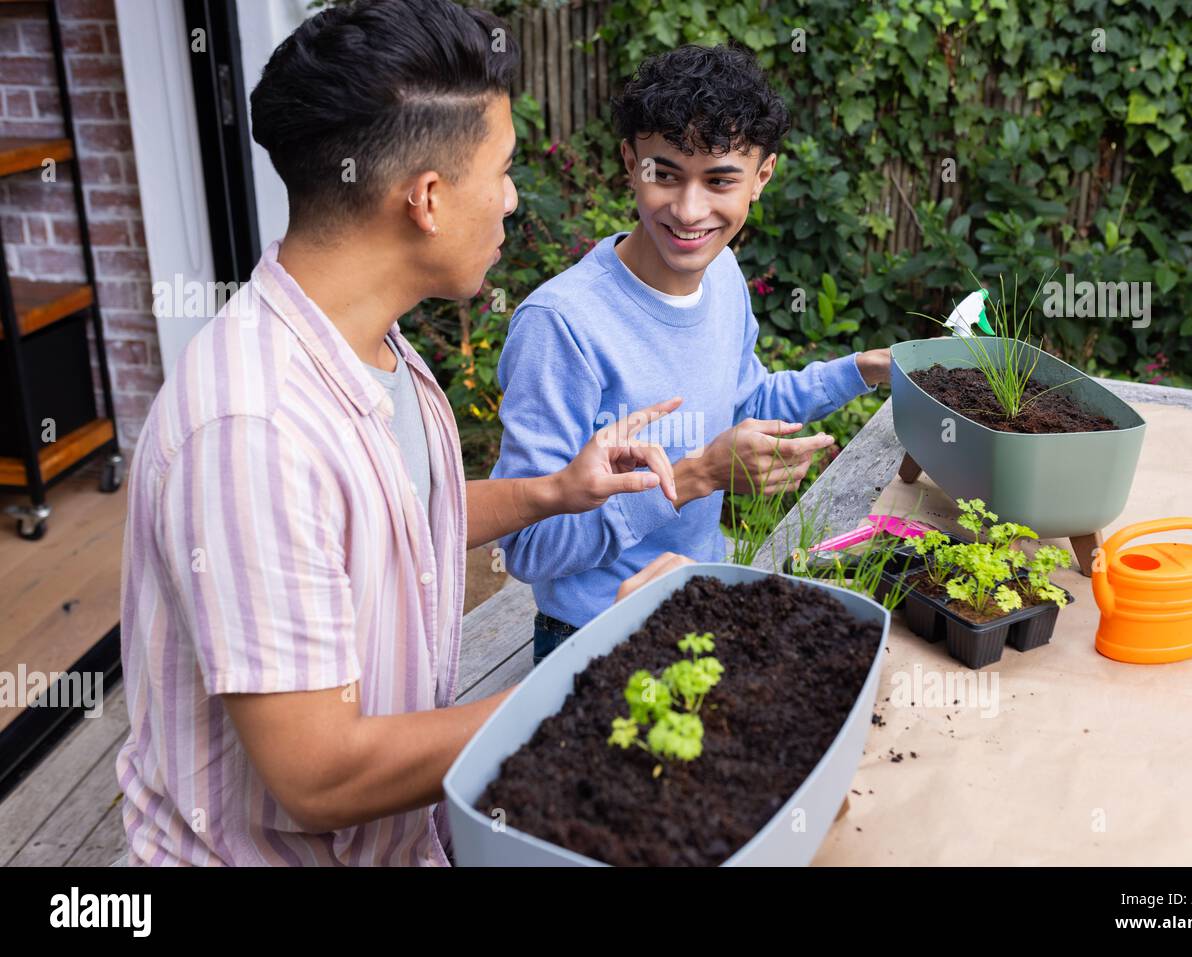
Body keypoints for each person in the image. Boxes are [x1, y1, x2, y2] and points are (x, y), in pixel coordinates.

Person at [115, 0, 690, 866]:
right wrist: (600, 675)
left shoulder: (366, 338)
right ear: (425, 198)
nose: (511, 198)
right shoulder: (251, 432)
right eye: (501, 169)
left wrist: (555, 492)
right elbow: (321, 775)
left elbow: (390, 517)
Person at [491, 44, 892, 663]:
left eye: (721, 180)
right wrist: (692, 479)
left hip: (701, 603)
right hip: (593, 639)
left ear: (762, 178)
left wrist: (864, 369)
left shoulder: (722, 272)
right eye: (665, 173)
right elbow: (527, 546)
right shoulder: (561, 326)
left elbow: (741, 400)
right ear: (630, 164)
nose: (688, 210)